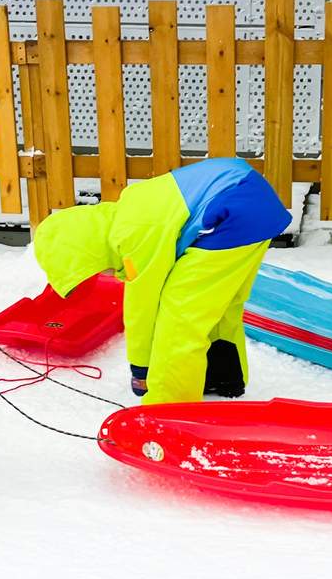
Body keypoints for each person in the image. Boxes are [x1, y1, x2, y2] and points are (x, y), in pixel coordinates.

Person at [32, 157, 291, 404]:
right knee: (218, 305)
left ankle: (168, 405)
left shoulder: (132, 234)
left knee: (180, 313)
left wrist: (141, 370)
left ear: (86, 249)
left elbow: (143, 307)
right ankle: (222, 376)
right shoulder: (129, 213)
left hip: (232, 207)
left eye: (95, 269)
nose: (106, 275)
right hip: (250, 201)